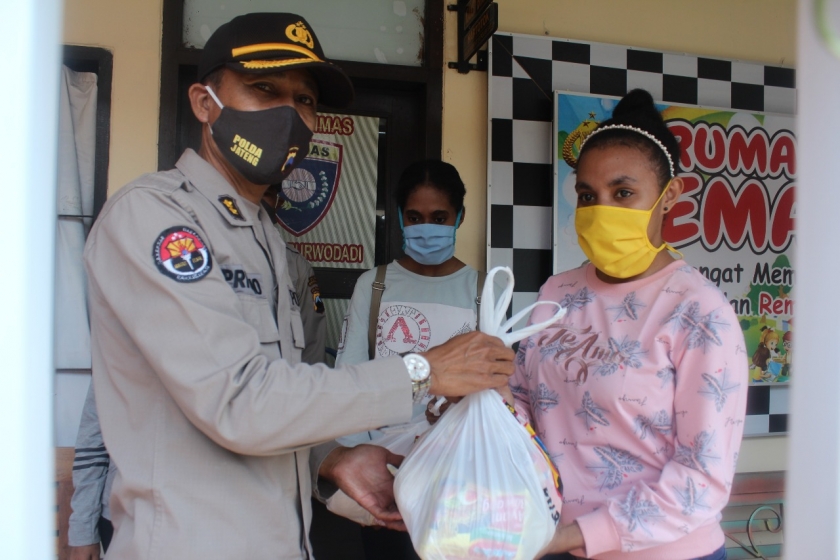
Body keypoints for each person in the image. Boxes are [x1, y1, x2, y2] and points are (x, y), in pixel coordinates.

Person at [83, 13, 514, 560]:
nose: (289, 113)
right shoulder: (157, 220)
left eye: (304, 100)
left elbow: (286, 395)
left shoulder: (271, 241)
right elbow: (238, 400)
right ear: (203, 101)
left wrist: (329, 458)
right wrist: (425, 370)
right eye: (264, 88)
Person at [502, 89, 747, 560]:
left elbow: (703, 478)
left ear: (669, 195)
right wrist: (483, 400)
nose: (601, 211)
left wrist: (571, 538)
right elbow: (524, 401)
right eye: (587, 195)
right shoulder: (557, 293)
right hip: (549, 540)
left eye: (624, 193)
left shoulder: (698, 311)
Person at [67, 247, 327, 560]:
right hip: (141, 521)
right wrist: (82, 528)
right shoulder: (141, 325)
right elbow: (96, 433)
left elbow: (304, 384)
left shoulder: (287, 270)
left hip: (246, 516)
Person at [335, 159, 485, 558]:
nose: (426, 228)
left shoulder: (482, 289)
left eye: (440, 217)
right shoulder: (376, 284)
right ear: (400, 218)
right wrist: (359, 459)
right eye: (415, 217)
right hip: (384, 471)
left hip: (457, 475)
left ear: (460, 217)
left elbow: (498, 385)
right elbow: (348, 376)